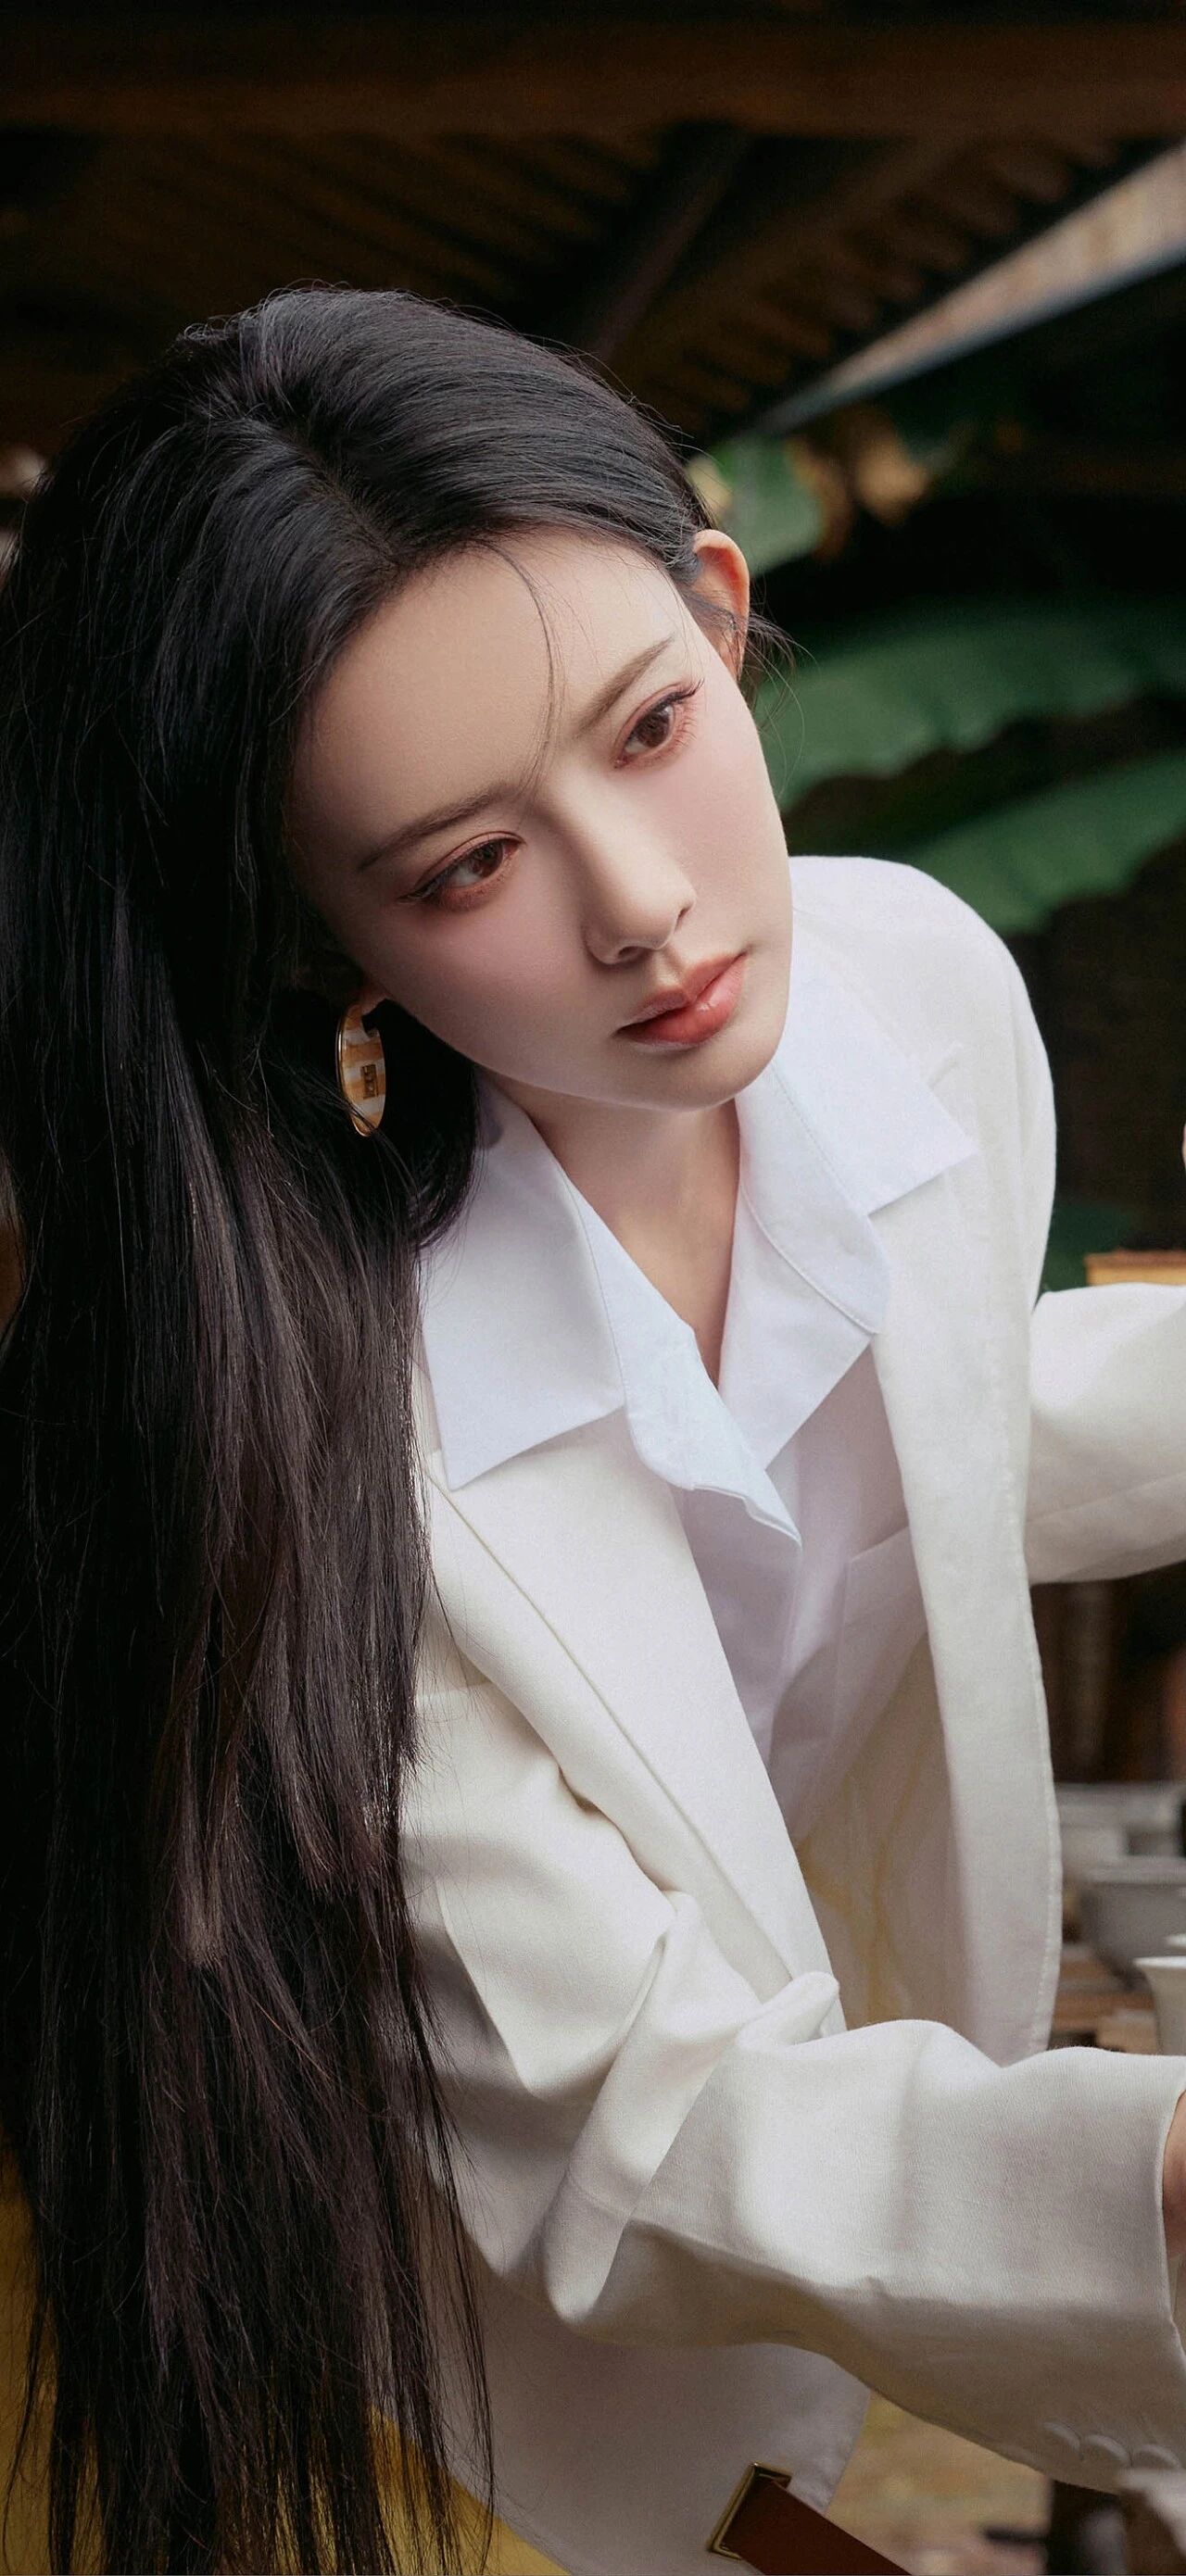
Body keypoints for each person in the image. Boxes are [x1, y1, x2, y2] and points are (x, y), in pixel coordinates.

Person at [1, 283, 1185, 2576]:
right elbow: (640, 2122)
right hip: (394, 2387)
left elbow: (908, 1416)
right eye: (468, 864)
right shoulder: (289, 1438)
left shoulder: (910, 992)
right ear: (315, 932)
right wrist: (1148, 2167)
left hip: (789, 2268)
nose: (644, 910)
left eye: (648, 727)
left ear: (719, 611)